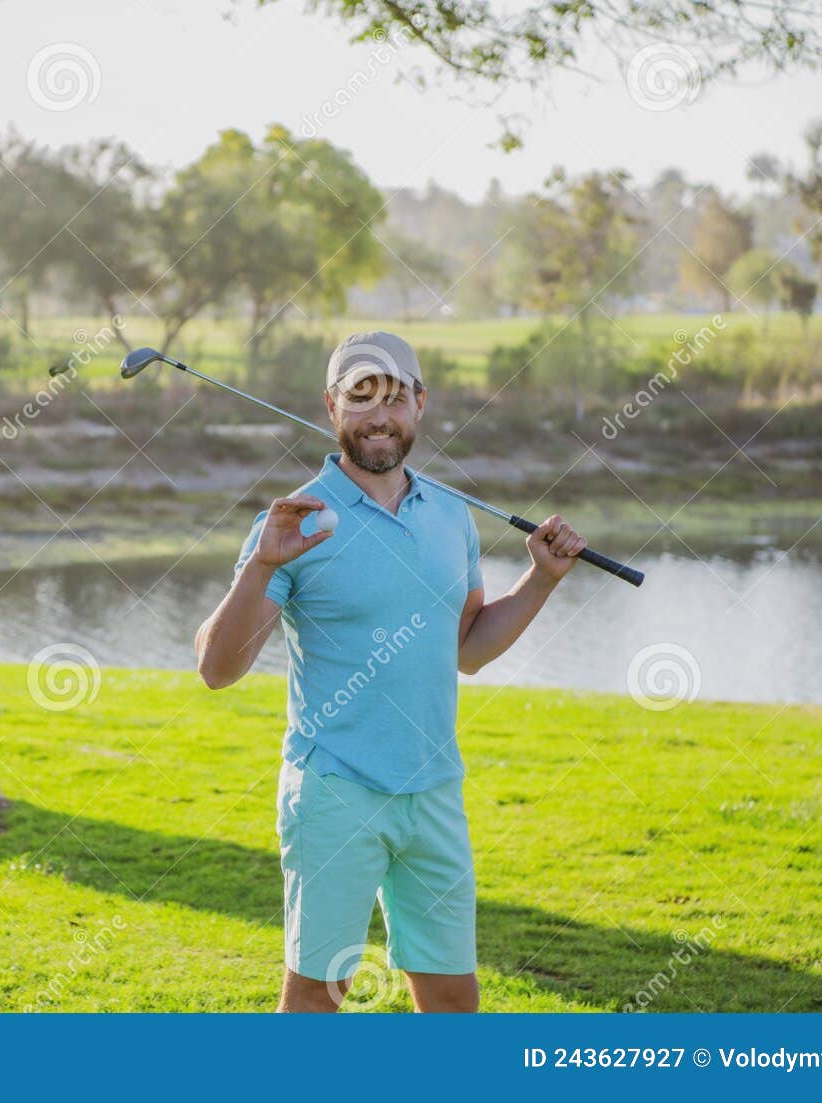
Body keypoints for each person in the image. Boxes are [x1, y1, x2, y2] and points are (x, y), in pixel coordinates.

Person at [193, 331, 586, 1013]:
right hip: (337, 789)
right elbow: (217, 668)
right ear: (331, 406)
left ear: (420, 403)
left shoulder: (451, 514)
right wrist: (261, 565)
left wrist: (540, 581)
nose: (379, 414)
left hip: (433, 790)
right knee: (317, 995)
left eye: (394, 395)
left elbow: (466, 647)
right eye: (360, 395)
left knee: (453, 996)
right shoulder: (295, 520)